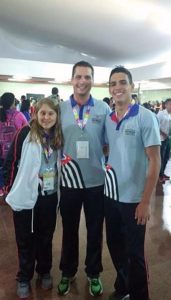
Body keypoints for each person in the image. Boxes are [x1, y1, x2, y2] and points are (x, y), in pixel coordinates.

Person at [104, 66, 161, 300]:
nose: (118, 87)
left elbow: (155, 161)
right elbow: (110, 149)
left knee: (135, 253)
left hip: (134, 199)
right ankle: (123, 287)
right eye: (113, 83)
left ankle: (139, 295)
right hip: (111, 196)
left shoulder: (145, 117)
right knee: (115, 246)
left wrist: (145, 201)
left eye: (122, 82)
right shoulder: (109, 118)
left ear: (131, 86)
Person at [57, 61, 111, 296]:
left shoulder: (103, 109)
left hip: (96, 182)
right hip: (69, 181)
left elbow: (109, 143)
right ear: (72, 79)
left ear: (92, 80)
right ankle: (67, 272)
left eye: (87, 77)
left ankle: (93, 272)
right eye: (78, 76)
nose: (82, 81)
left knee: (94, 230)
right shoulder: (60, 109)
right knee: (68, 229)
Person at [3, 98, 63, 299]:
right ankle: (23, 277)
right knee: (25, 239)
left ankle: (44, 270)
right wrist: (11, 190)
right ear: (36, 114)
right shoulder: (25, 134)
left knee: (45, 237)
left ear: (56, 116)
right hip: (26, 196)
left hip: (49, 196)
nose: (46, 118)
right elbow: (11, 162)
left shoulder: (58, 136)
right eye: (42, 113)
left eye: (50, 114)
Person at [0, 92, 28, 197]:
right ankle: (13, 190)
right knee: (14, 170)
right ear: (13, 103)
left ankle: (2, 190)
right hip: (15, 151)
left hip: (1, 150)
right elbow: (26, 129)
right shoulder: (18, 115)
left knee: (2, 170)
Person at [157, 98, 171, 183]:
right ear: (165, 105)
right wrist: (163, 134)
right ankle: (159, 175)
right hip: (161, 139)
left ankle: (162, 174)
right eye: (170, 104)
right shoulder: (161, 114)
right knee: (161, 158)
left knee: (166, 157)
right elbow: (156, 126)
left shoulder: (170, 115)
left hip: (168, 140)